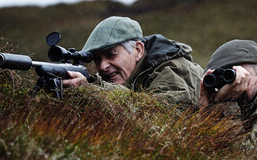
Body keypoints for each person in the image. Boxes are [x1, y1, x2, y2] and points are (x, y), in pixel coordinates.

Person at [63, 16, 204, 109]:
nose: (102, 66)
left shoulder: (173, 70)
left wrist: (94, 88)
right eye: (97, 59)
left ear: (138, 50)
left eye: (111, 55)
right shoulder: (120, 76)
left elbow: (161, 113)